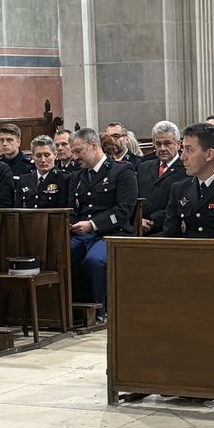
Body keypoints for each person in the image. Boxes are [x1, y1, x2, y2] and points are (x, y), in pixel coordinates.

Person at [69, 128, 137, 316]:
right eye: (73, 152)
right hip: (82, 235)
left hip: (113, 233)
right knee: (61, 254)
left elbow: (124, 211)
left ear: (93, 146)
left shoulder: (121, 171)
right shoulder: (77, 177)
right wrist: (70, 226)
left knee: (95, 261)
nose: (74, 157)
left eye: (78, 151)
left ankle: (100, 311)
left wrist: (93, 224)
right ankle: (70, 310)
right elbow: (73, 210)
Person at [136, 121, 187, 235]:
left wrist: (154, 221)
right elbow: (135, 198)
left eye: (167, 143)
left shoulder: (187, 169)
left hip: (171, 230)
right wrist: (138, 219)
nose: (162, 148)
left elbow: (183, 203)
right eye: (158, 144)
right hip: (140, 228)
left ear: (178, 144)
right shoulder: (143, 167)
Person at [13, 135, 71, 208]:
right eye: (38, 156)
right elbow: (18, 210)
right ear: (32, 156)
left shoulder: (65, 179)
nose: (43, 160)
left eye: (47, 155)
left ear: (55, 155)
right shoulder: (24, 180)